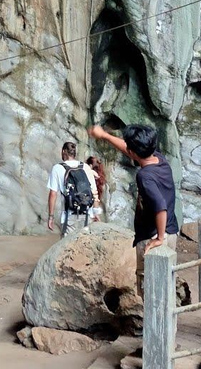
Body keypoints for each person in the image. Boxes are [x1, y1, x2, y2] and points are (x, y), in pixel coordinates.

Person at [88, 124, 178, 296]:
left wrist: (159, 238)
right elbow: (128, 149)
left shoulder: (145, 176)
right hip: (171, 231)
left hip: (154, 236)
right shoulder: (160, 160)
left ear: (134, 153)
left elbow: (160, 207)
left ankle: (152, 323)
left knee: (151, 291)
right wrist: (105, 136)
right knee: (165, 287)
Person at [46, 142, 98, 237]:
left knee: (68, 249)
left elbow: (53, 194)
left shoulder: (57, 168)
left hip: (69, 218)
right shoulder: (85, 167)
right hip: (87, 215)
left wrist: (51, 217)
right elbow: (94, 191)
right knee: (85, 246)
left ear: (63, 151)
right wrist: (96, 213)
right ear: (74, 153)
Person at [86, 156, 105, 222]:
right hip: (93, 210)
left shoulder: (87, 174)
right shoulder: (100, 179)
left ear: (90, 165)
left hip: (86, 212)